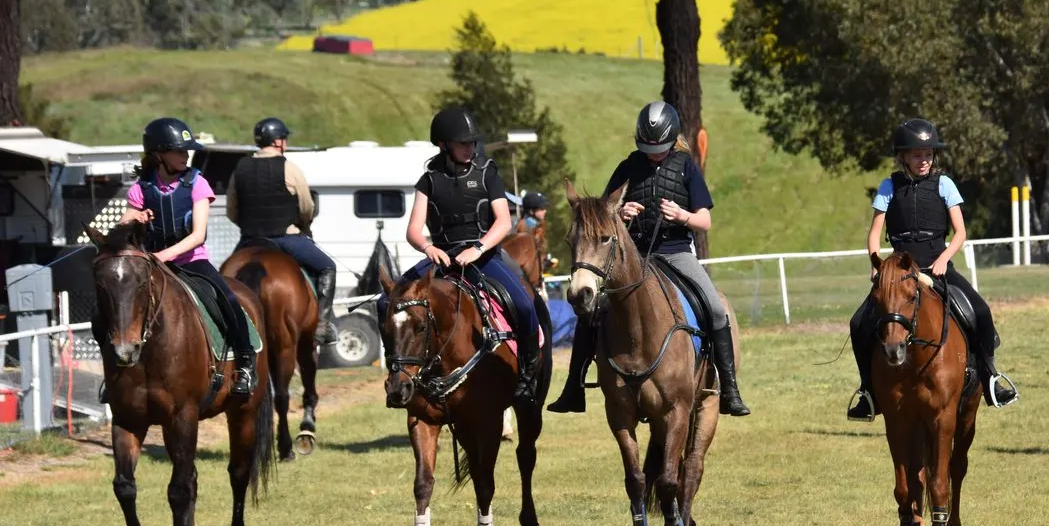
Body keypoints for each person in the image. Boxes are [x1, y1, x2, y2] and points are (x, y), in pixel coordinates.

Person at [547, 100, 750, 417]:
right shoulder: (627, 168)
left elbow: (704, 221)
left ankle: (730, 390)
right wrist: (621, 214)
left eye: (660, 146)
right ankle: (573, 387)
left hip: (676, 252)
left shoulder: (686, 167)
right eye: (648, 146)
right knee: (594, 310)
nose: (653, 152)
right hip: (635, 255)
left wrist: (682, 215)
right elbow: (603, 216)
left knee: (713, 307)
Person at [848, 118, 1018, 420]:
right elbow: (875, 234)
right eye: (916, 155)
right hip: (900, 271)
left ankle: (990, 377)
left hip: (938, 266)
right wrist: (877, 266)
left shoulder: (945, 185)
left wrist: (943, 259)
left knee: (980, 312)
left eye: (927, 154)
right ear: (903, 157)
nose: (923, 160)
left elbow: (960, 232)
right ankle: (868, 392)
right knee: (859, 322)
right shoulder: (889, 186)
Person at [379, 107, 541, 402]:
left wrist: (478, 248)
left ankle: (528, 376)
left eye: (472, 143)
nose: (471, 148)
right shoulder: (428, 179)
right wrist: (429, 248)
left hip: (483, 254)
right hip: (441, 255)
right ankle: (399, 369)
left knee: (525, 306)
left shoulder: (487, 173)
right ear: (444, 145)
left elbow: (503, 222)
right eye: (463, 143)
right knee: (385, 302)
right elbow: (414, 230)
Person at [118, 117, 257, 396]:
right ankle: (115, 372)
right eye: (179, 151)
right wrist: (137, 219)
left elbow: (197, 236)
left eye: (187, 151)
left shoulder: (198, 184)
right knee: (116, 306)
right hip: (151, 265)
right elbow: (123, 226)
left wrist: (163, 256)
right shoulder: (140, 188)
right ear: (158, 155)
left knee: (227, 299)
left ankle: (245, 361)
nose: (185, 156)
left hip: (192, 262)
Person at [226, 117, 339, 343]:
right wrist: (304, 225)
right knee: (327, 267)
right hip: (286, 238)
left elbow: (232, 210)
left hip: (250, 240)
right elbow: (306, 206)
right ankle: (322, 325)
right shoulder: (289, 167)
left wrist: (250, 228)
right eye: (284, 138)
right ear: (278, 141)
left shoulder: (240, 167)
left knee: (226, 276)